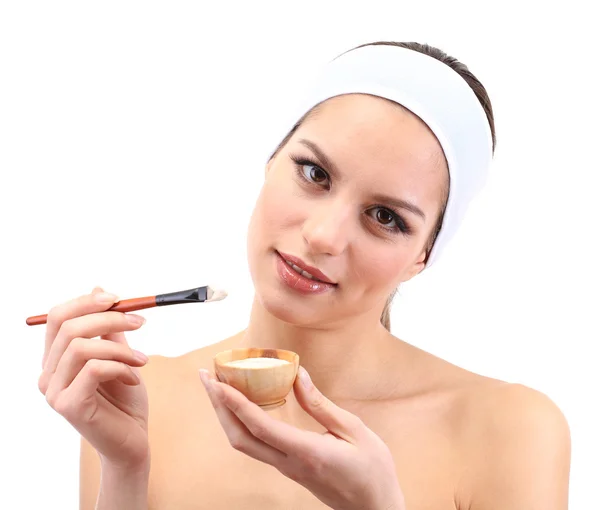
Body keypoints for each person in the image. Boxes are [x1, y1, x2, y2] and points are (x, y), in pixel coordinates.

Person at [37, 41, 571, 510]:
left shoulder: (511, 431)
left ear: (422, 256)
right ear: (271, 163)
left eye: (386, 217)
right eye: (314, 173)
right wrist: (125, 469)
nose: (323, 235)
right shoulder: (136, 398)